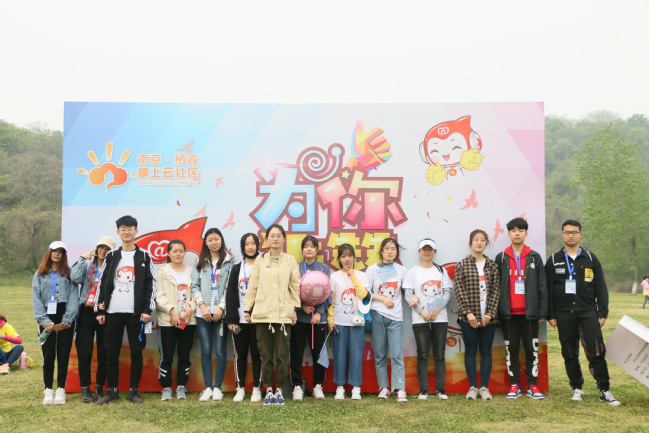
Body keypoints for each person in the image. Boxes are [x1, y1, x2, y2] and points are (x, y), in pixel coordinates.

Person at [545, 219, 621, 406]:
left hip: (588, 312)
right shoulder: (554, 260)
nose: (570, 235)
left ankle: (604, 389)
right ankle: (576, 388)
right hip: (564, 313)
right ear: (562, 234)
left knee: (596, 351)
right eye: (567, 232)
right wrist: (551, 314)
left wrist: (602, 312)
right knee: (569, 352)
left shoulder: (590, 258)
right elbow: (548, 290)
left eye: (574, 232)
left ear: (580, 234)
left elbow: (600, 287)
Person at [95, 215, 156, 405]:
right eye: (123, 229)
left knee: (137, 353)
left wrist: (147, 309)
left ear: (136, 231)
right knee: (111, 352)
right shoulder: (112, 255)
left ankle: (133, 391)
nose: (127, 232)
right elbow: (102, 282)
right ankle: (112, 390)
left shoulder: (144, 255)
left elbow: (151, 284)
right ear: (118, 232)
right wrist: (100, 310)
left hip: (137, 314)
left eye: (130, 228)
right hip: (113, 312)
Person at [243, 224, 301, 406]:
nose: (275, 239)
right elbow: (253, 285)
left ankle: (280, 391)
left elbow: (295, 285)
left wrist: (294, 309)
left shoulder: (290, 260)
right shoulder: (260, 261)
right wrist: (247, 309)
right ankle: (268, 390)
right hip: (263, 314)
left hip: (283, 314)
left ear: (284, 239)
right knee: (266, 356)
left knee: (282, 356)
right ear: (267, 239)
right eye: (272, 236)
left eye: (278, 236)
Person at [495, 217, 548, 400]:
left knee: (531, 350)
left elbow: (542, 285)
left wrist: (542, 311)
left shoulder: (534, 257)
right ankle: (514, 385)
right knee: (511, 350)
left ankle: (533, 385)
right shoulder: (501, 257)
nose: (517, 233)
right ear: (508, 234)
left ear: (526, 233)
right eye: (513, 230)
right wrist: (498, 312)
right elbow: (496, 287)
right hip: (508, 314)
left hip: (530, 314)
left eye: (521, 230)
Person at [403, 239, 453, 400]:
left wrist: (437, 310)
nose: (427, 251)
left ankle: (440, 390)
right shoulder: (413, 272)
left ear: (434, 252)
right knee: (423, 354)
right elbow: (408, 295)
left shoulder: (441, 271)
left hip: (440, 318)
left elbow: (447, 293)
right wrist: (422, 311)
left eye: (430, 249)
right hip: (420, 319)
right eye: (424, 249)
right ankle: (423, 390)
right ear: (419, 252)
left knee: (439, 355)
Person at [454, 229, 500, 401]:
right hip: (468, 319)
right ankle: (473, 387)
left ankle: (484, 387)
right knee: (470, 351)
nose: (479, 242)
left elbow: (496, 291)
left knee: (486, 351)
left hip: (489, 319)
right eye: (476, 240)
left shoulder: (492, 266)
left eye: (483, 240)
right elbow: (459, 291)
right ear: (470, 242)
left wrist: (489, 314)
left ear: (486, 243)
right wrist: (469, 313)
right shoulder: (462, 264)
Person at [70, 235, 116, 402]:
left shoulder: (114, 270)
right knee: (85, 351)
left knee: (104, 351)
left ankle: (99, 388)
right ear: (96, 249)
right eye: (101, 247)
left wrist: (107, 303)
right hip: (86, 311)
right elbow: (74, 278)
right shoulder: (88, 266)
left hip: (105, 312)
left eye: (107, 249)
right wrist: (82, 259)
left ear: (112, 253)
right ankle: (85, 389)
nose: (103, 251)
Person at [32, 241, 79, 404]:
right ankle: (48, 390)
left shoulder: (69, 274)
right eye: (54, 251)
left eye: (60, 251)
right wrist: (44, 320)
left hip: (65, 316)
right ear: (49, 253)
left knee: (63, 355)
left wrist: (67, 319)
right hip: (47, 317)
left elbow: (73, 297)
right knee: (48, 356)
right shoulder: (39, 274)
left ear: (64, 255)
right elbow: (36, 299)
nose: (57, 254)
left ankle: (61, 390)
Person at [190, 227, 234, 402]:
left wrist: (221, 308)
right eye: (210, 240)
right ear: (206, 243)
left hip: (221, 314)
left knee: (221, 352)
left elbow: (230, 288)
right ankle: (208, 387)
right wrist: (202, 306)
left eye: (216, 239)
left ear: (221, 240)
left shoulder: (230, 261)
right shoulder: (199, 261)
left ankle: (218, 388)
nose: (214, 242)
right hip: (203, 314)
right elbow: (194, 286)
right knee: (206, 351)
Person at [290, 235, 332, 401]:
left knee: (318, 353)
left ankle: (318, 385)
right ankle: (297, 386)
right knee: (296, 352)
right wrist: (301, 306)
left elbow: (328, 293)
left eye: (312, 246)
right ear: (302, 250)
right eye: (306, 246)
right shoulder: (296, 268)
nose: (309, 249)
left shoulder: (324, 268)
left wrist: (319, 312)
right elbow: (292, 290)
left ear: (316, 250)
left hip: (318, 320)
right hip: (300, 318)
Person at [366, 238, 408, 402]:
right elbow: (366, 293)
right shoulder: (372, 269)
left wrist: (415, 298)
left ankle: (400, 388)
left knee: (397, 354)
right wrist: (382, 299)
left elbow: (408, 291)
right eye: (387, 248)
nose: (390, 252)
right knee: (380, 354)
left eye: (393, 249)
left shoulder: (402, 270)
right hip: (377, 314)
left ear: (397, 252)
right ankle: (383, 388)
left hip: (396, 317)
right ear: (381, 251)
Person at [327, 243, 370, 400]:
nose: (347, 259)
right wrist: (330, 320)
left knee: (356, 354)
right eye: (343, 256)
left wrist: (353, 276)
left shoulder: (362, 275)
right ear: (339, 259)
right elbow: (331, 302)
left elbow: (364, 294)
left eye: (350, 256)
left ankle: (356, 387)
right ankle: (340, 387)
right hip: (339, 322)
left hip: (357, 322)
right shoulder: (334, 276)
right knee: (339, 355)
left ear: (354, 257)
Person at [156, 239, 197, 401]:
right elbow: (158, 295)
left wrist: (191, 308)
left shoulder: (192, 271)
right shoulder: (162, 272)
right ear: (168, 253)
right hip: (168, 320)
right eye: (174, 251)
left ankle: (181, 385)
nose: (178, 254)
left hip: (188, 320)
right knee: (166, 355)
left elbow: (197, 293)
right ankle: (166, 387)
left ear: (185, 252)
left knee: (184, 355)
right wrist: (172, 311)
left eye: (181, 251)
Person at [224, 233, 263, 403]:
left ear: (257, 245)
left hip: (258, 319)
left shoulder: (263, 266)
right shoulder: (236, 268)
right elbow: (231, 295)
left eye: (253, 243)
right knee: (240, 354)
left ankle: (256, 389)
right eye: (247, 244)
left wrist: (254, 312)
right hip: (239, 320)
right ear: (243, 247)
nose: (250, 247)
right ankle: (240, 388)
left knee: (257, 354)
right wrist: (231, 319)